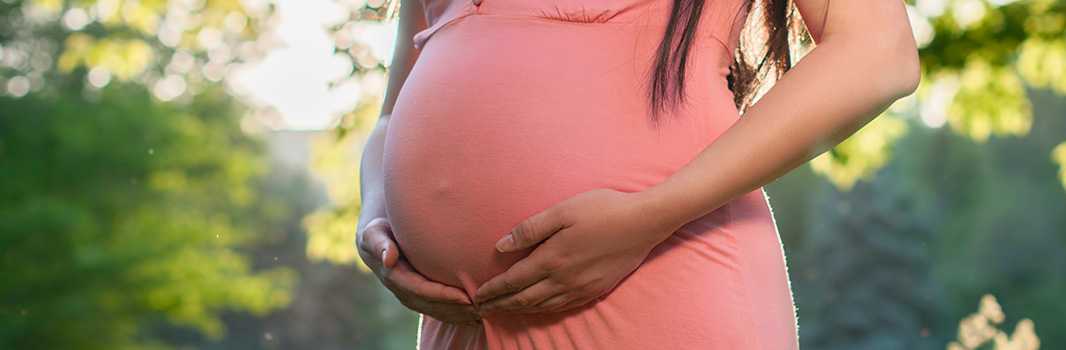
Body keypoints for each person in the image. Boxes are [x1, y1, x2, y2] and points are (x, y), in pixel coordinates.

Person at [355, 0, 919, 348]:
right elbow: (392, 110)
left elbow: (878, 51)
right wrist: (377, 208)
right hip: (467, 319)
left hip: (655, 271)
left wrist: (650, 216)